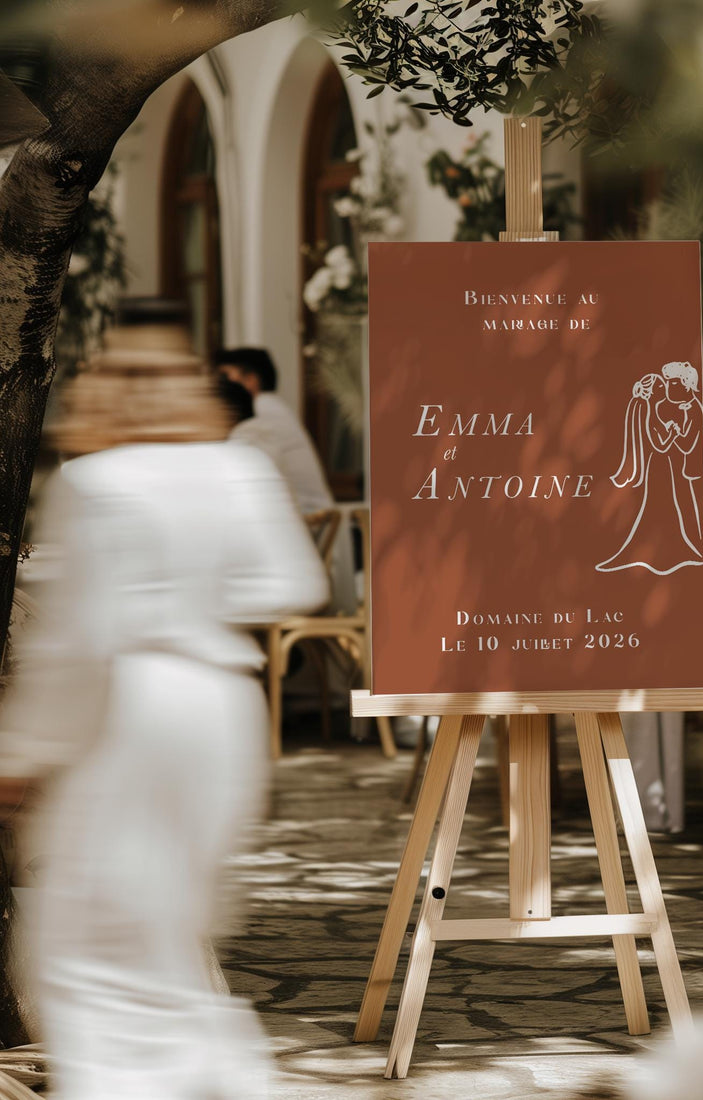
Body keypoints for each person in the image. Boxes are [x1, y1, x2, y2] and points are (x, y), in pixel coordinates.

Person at [0, 308, 329, 1099]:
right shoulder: (235, 469)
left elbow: (76, 644)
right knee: (167, 930)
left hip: (134, 704)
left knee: (87, 949)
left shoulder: (94, 481)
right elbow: (296, 584)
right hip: (223, 703)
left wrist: (23, 756)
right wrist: (200, 595)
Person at [215, 347, 355, 611]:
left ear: (251, 380)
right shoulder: (270, 411)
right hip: (306, 530)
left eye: (226, 377)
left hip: (304, 534)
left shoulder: (259, 415)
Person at [596, 361, 703, 575]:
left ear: (686, 385)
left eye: (670, 383)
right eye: (663, 385)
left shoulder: (688, 410)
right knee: (664, 507)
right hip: (661, 467)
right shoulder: (653, 413)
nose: (666, 388)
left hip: (673, 470)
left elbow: (685, 444)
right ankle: (669, 551)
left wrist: (674, 429)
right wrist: (673, 430)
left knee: (672, 507)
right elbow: (661, 444)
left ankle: (679, 549)